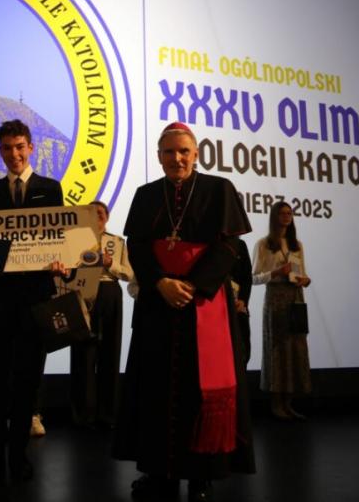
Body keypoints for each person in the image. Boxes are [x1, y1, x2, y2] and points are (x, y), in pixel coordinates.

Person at [112, 122, 255, 502]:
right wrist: (160, 282)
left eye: (184, 151)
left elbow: (228, 247)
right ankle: (158, 472)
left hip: (203, 303)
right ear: (159, 156)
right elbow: (137, 245)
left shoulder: (219, 189)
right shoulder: (146, 194)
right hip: (158, 304)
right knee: (154, 389)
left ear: (196, 154)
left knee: (199, 390)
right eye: (169, 152)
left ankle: (201, 475)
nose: (177, 158)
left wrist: (192, 285)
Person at [0, 119, 64, 482]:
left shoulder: (51, 189)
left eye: (20, 146)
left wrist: (61, 259)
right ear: (0, 151)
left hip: (35, 298)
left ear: (31, 148)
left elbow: (59, 238)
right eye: (7, 148)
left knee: (28, 378)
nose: (14, 154)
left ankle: (19, 452)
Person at [70, 200, 133, 429]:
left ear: (106, 217)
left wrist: (110, 263)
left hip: (109, 292)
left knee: (110, 351)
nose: (96, 217)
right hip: (82, 293)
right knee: (83, 354)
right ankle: (83, 414)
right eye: (91, 213)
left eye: (100, 213)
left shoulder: (117, 242)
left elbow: (129, 274)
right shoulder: (74, 240)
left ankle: (108, 414)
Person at [252, 201, 312, 420]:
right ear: (274, 216)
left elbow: (302, 273)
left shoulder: (297, 244)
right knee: (277, 350)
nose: (287, 216)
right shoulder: (263, 244)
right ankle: (276, 404)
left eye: (289, 213)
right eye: (282, 213)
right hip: (276, 298)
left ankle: (288, 403)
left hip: (295, 297)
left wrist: (306, 280)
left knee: (295, 349)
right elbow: (254, 278)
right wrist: (276, 272)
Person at [230, 238, 253, 365]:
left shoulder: (240, 245)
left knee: (242, 355)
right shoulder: (208, 243)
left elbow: (247, 277)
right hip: (215, 311)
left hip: (239, 308)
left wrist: (243, 300)